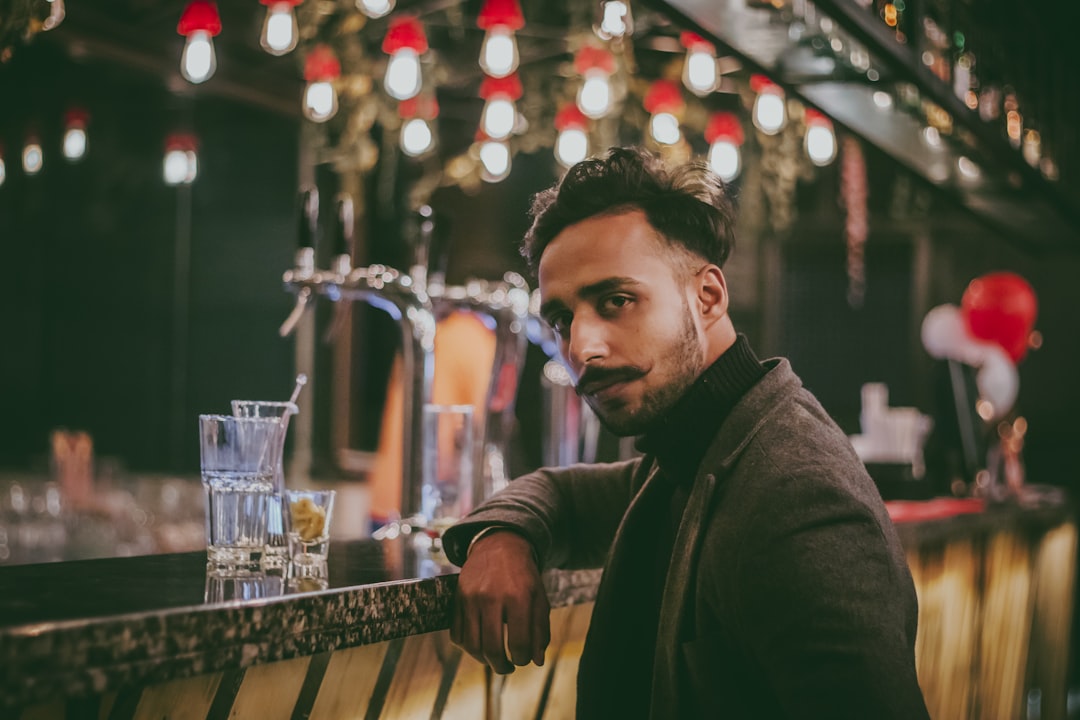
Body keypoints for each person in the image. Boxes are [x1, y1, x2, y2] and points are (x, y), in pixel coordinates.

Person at [441, 147, 930, 719]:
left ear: (708, 296)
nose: (581, 348)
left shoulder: (794, 495)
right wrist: (499, 535)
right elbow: (563, 496)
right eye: (563, 319)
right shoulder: (700, 451)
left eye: (616, 300)